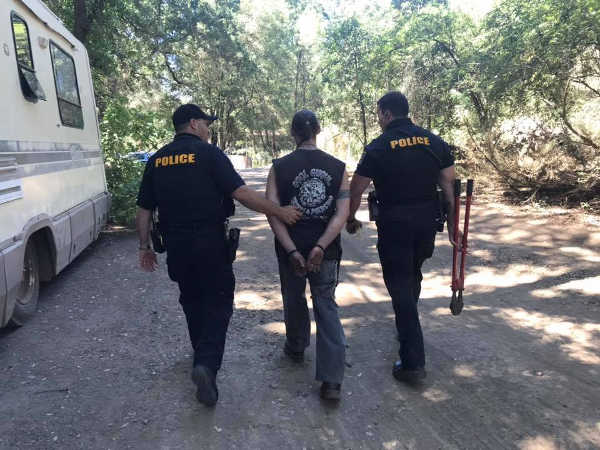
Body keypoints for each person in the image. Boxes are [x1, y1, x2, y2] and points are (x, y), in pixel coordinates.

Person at [136, 104, 301, 406]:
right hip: (209, 242)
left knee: (191, 299)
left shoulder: (157, 160)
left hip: (176, 244)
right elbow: (242, 194)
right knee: (219, 301)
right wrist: (279, 211)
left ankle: (200, 351)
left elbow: (144, 208)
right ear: (193, 123)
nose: (208, 130)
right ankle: (206, 364)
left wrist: (144, 247)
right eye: (206, 124)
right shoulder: (209, 154)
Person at [346, 91, 461, 384]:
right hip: (426, 224)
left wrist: (350, 217)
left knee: (399, 287)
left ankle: (412, 362)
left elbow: (356, 188)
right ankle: (407, 322)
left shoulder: (378, 146)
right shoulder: (434, 142)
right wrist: (453, 226)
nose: (378, 119)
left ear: (387, 114)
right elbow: (450, 188)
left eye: (378, 114)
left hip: (394, 226)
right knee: (413, 273)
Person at [266, 110, 350, 401]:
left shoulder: (278, 167)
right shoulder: (338, 167)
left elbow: (273, 212)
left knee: (293, 297)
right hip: (325, 250)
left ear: (293, 133)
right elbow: (341, 213)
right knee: (325, 304)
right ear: (318, 130)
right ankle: (332, 381)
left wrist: (291, 249)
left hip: (290, 247)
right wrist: (321, 246)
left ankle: (296, 346)